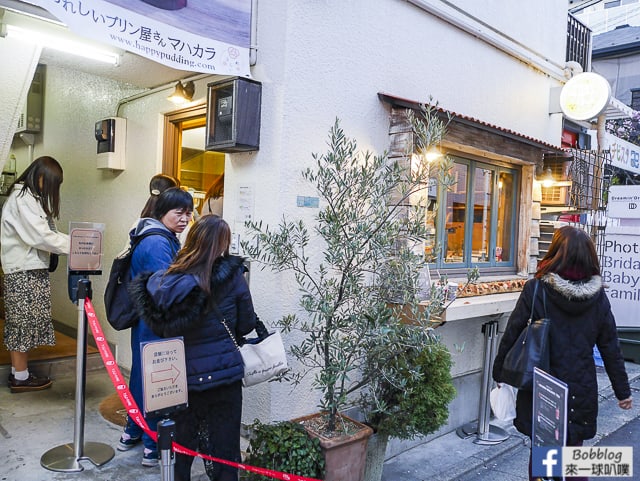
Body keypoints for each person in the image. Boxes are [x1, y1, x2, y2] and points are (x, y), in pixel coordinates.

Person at [492, 226, 632, 481]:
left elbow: (512, 331)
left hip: (542, 384)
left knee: (543, 450)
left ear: (555, 253)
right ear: (589, 258)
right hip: (580, 385)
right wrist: (622, 391)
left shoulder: (536, 289)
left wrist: (499, 371)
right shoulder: (598, 297)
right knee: (574, 455)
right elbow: (610, 346)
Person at [130, 214, 257, 481]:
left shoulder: (167, 280)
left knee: (181, 453)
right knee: (224, 453)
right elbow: (246, 325)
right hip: (224, 379)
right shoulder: (233, 277)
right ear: (223, 243)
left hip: (182, 379)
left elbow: (161, 327)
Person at [116, 187, 194, 467]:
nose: (185, 219)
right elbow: (166, 289)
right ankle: (152, 445)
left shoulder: (153, 235)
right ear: (163, 212)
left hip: (146, 320)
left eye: (189, 213)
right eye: (179, 212)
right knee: (157, 379)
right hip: (156, 321)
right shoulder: (158, 242)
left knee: (142, 376)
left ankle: (133, 431)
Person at [1, 156, 70, 393]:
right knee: (21, 324)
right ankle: (20, 377)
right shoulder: (23, 198)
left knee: (26, 323)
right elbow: (41, 236)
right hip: (23, 271)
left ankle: (21, 373)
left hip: (29, 269)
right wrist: (78, 244)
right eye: (51, 183)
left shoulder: (30, 198)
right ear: (40, 178)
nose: (52, 189)